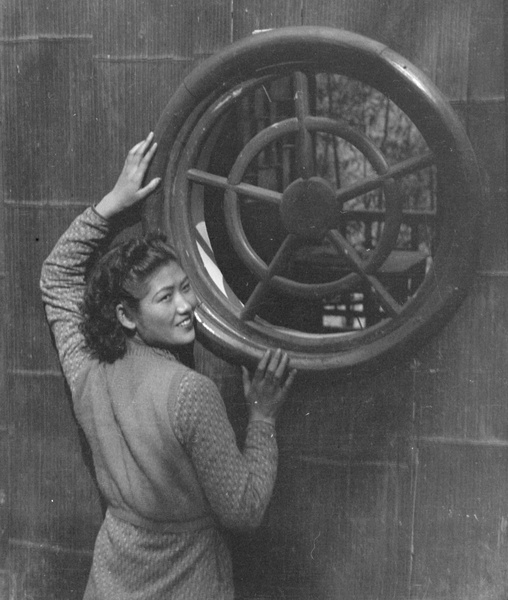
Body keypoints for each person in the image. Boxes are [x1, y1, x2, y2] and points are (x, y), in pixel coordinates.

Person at [40, 132, 296, 599]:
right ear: (125, 315)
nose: (186, 306)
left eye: (185, 286)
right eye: (165, 296)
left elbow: (57, 275)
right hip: (188, 581)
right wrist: (262, 418)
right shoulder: (190, 393)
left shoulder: (87, 369)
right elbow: (243, 510)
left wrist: (112, 205)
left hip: (112, 578)